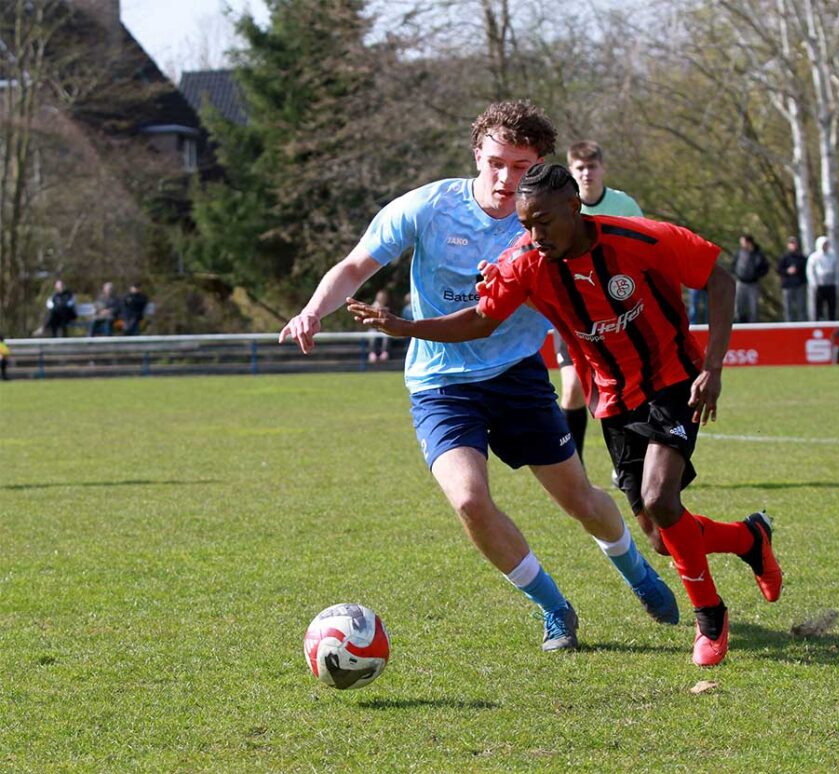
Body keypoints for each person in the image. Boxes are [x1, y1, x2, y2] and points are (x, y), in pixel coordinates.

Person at [279, 101, 678, 653]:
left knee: (580, 501)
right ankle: (554, 608)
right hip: (440, 383)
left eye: (520, 167)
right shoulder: (428, 207)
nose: (505, 179)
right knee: (469, 501)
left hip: (517, 376)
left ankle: (637, 572)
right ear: (476, 156)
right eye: (495, 163)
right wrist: (313, 310)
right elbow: (354, 266)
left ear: (540, 167)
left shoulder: (554, 224)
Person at [348, 163, 784, 667]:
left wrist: (713, 368)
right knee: (661, 537)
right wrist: (406, 327)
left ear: (575, 207)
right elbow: (481, 320)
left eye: (544, 222)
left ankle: (710, 618)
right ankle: (749, 538)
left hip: (673, 380)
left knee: (659, 498)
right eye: (525, 224)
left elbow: (720, 280)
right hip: (614, 399)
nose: (535, 235)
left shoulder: (641, 239)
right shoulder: (525, 263)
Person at [561, 140, 644, 462]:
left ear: (602, 168)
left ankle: (628, 461)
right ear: (571, 171)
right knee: (572, 389)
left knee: (627, 389)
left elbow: (643, 250)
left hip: (618, 314)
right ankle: (575, 468)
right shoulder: (561, 207)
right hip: (572, 314)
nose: (586, 173)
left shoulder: (624, 205)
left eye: (591, 167)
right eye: (580, 168)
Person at [731, 235, 769, 323]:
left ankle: (753, 325)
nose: (741, 244)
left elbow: (765, 268)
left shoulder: (759, 254)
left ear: (749, 243)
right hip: (741, 283)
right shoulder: (739, 253)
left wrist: (757, 275)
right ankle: (740, 324)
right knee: (739, 306)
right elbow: (733, 265)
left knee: (754, 307)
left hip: (753, 284)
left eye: (743, 242)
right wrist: (737, 274)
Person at [776, 236, 808, 322]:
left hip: (799, 285)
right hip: (788, 285)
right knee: (788, 307)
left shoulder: (802, 257)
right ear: (788, 245)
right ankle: (788, 324)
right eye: (791, 243)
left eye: (794, 243)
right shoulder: (784, 257)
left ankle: (802, 324)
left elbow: (806, 270)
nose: (793, 245)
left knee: (801, 307)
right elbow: (779, 269)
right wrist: (787, 271)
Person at [806, 236, 837, 321]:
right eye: (824, 244)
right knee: (818, 306)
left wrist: (836, 281)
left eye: (826, 244)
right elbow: (810, 271)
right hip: (819, 285)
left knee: (831, 306)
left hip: (830, 284)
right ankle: (818, 322)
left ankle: (832, 322)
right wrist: (813, 283)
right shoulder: (814, 257)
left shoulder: (832, 256)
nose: (825, 246)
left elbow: (835, 269)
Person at [367, 289, 391, 363]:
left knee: (387, 335)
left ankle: (385, 352)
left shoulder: (388, 308)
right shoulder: (372, 307)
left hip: (384, 329)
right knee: (372, 334)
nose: (382, 298)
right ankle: (372, 353)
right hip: (374, 328)